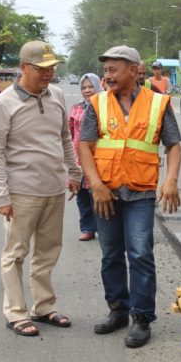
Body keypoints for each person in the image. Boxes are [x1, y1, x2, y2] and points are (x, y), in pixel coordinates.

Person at [79, 45, 181, 348]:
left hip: (140, 192)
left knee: (140, 254)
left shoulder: (158, 104)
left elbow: (173, 144)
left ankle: (141, 317)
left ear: (134, 70)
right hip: (105, 192)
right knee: (111, 254)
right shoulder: (97, 103)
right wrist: (95, 184)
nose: (106, 76)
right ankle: (118, 310)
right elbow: (85, 144)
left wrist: (171, 180)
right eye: (106, 70)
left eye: (113, 70)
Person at [0, 40, 82, 337]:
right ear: (23, 68)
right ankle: (16, 312)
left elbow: (64, 136)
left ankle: (43, 306)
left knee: (48, 251)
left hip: (53, 189)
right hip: (21, 192)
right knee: (15, 253)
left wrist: (74, 170)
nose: (48, 74)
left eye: (52, 68)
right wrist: (1, 195)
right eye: (41, 69)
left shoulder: (55, 95)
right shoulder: (3, 104)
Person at [68, 73, 102, 241]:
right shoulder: (76, 108)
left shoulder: (105, 106)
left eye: (90, 86)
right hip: (78, 159)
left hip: (97, 159)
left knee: (96, 195)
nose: (87, 90)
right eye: (84, 87)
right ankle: (87, 228)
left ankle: (104, 229)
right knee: (81, 196)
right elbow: (70, 133)